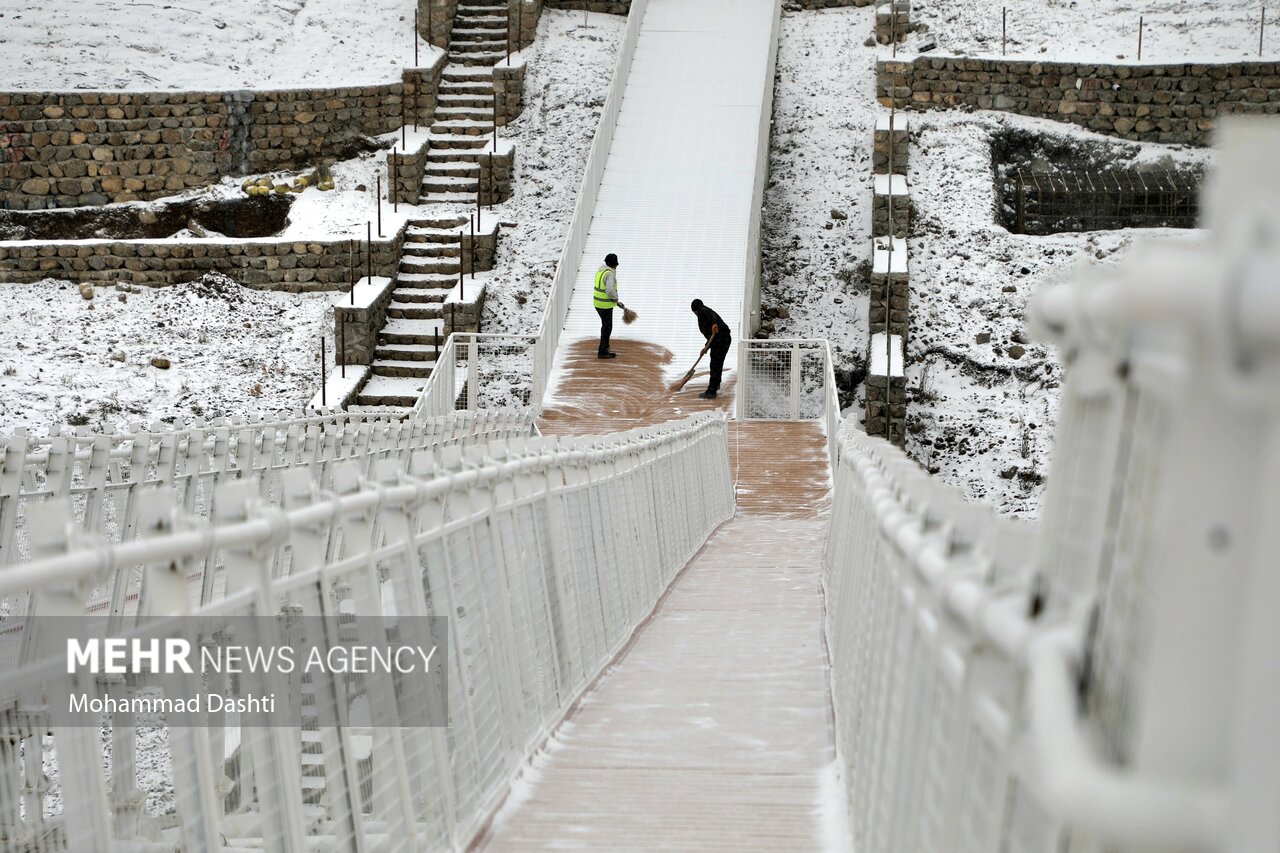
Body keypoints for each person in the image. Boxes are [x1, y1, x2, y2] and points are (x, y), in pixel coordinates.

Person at [690, 299, 731, 399]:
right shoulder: (701, 314)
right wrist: (706, 347)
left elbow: (712, 316)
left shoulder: (703, 311)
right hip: (718, 340)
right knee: (716, 364)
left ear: (695, 310)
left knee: (715, 364)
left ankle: (711, 392)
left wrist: (714, 324)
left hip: (722, 339)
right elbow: (710, 336)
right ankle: (715, 385)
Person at [594, 253, 628, 359]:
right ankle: (603, 351)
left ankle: (605, 348)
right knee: (607, 327)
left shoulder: (601, 271)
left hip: (598, 303)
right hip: (604, 305)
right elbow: (609, 290)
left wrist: (615, 302)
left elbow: (603, 289)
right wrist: (615, 298)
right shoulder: (609, 274)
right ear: (614, 264)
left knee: (606, 326)